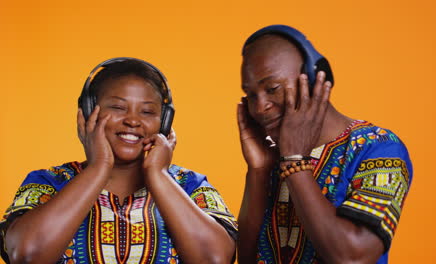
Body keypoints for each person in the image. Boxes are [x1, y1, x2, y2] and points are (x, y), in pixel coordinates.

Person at [0, 57, 237, 264]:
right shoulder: (49, 182)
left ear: (164, 122)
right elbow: (28, 255)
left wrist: (158, 175)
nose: (133, 121)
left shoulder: (190, 186)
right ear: (87, 112)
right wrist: (99, 166)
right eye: (117, 107)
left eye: (147, 112)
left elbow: (215, 259)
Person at [237, 25, 413, 264]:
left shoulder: (379, 148)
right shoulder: (272, 158)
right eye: (251, 95)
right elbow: (247, 258)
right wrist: (258, 172)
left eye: (272, 89)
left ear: (315, 77)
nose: (259, 107)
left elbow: (354, 257)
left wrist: (295, 161)